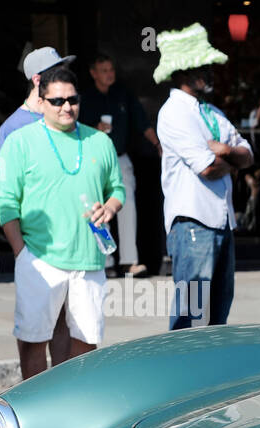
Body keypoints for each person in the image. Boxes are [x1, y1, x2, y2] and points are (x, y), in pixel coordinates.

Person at [0, 65, 123, 379]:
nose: (66, 107)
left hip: (89, 259)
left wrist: (110, 207)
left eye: (73, 100)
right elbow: (5, 201)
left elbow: (117, 188)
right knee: (33, 340)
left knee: (86, 339)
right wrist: (20, 251)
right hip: (38, 257)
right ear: (41, 100)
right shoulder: (21, 141)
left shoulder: (99, 142)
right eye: (57, 101)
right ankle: (35, 412)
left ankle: (73, 406)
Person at [154, 23, 253, 332]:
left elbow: (248, 153)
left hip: (221, 221)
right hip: (193, 222)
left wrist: (224, 150)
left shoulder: (211, 111)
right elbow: (207, 168)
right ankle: (180, 374)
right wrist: (231, 159)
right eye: (203, 67)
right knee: (189, 314)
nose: (210, 72)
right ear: (183, 72)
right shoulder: (174, 112)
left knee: (219, 314)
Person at [0, 46, 75, 366]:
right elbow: (4, 195)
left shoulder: (68, 119)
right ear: (38, 79)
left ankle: (64, 397)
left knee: (66, 328)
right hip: (35, 247)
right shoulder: (13, 128)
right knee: (34, 332)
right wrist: (19, 249)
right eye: (58, 71)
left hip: (72, 247)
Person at [83, 53, 162, 277]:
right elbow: (75, 128)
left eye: (111, 69)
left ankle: (129, 261)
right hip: (94, 158)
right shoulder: (85, 98)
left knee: (128, 207)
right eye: (104, 70)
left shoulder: (122, 94)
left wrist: (157, 143)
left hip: (120, 156)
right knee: (97, 208)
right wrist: (94, 129)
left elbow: (141, 121)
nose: (109, 74)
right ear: (94, 73)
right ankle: (105, 260)